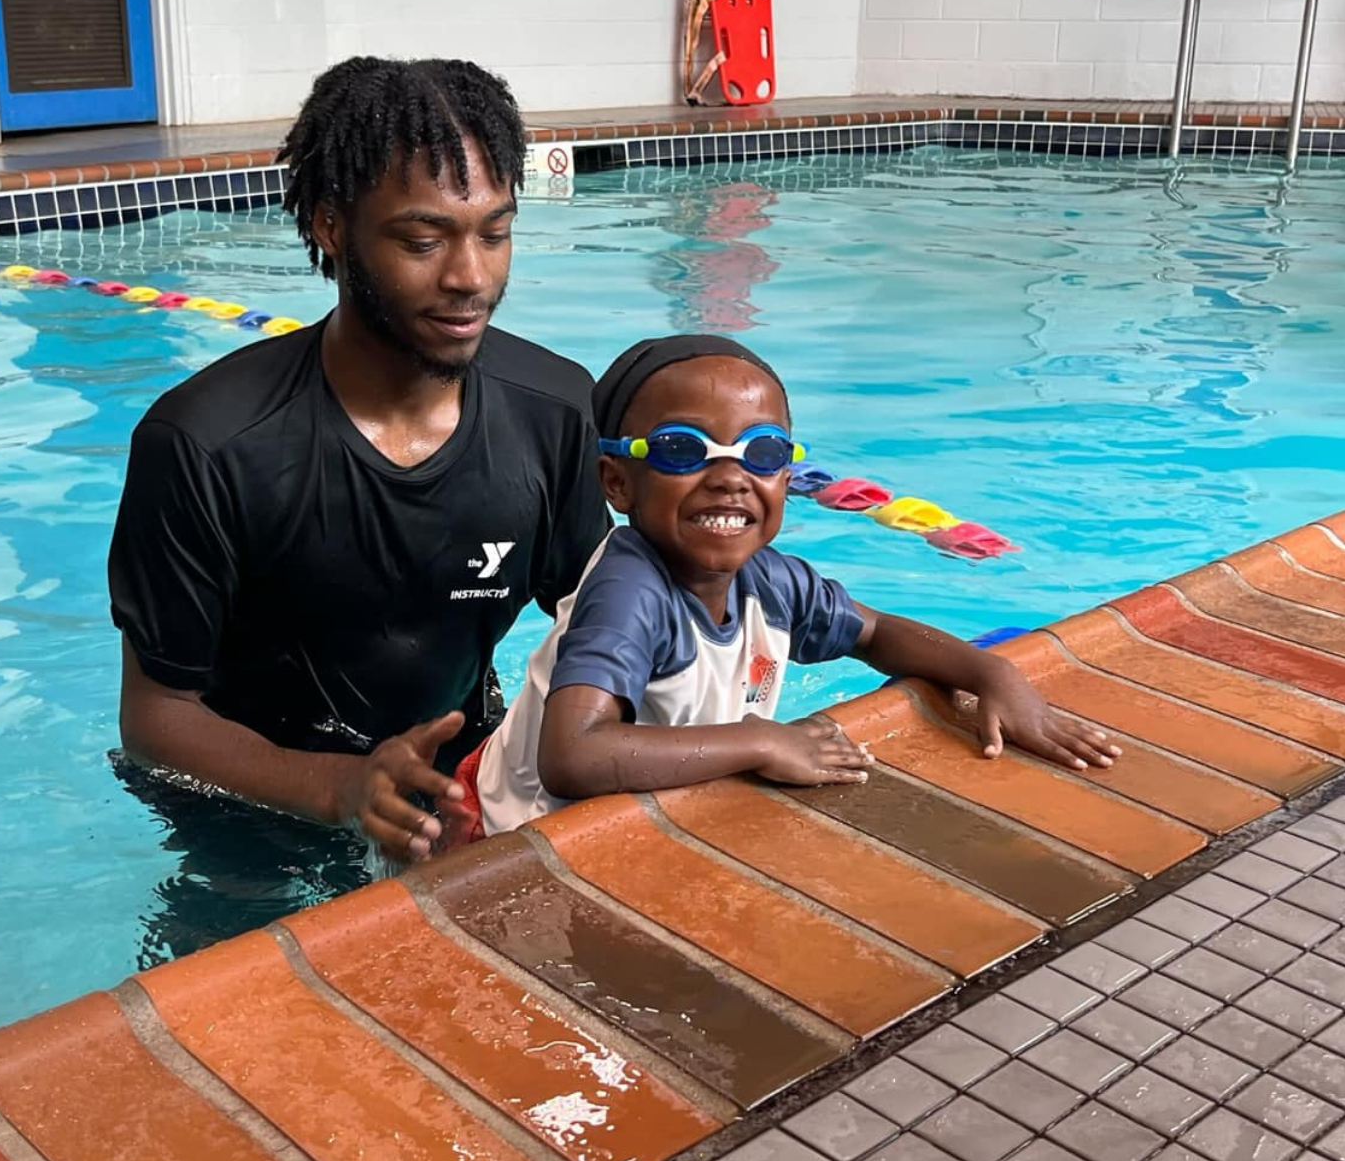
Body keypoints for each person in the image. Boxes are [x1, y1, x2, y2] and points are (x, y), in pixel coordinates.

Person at [108, 57, 610, 905]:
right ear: (331, 226)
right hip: (250, 806)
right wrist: (336, 790)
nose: (470, 278)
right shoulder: (208, 444)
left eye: (494, 232)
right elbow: (156, 718)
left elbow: (602, 619)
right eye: (423, 241)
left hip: (459, 780)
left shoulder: (552, 412)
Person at [465, 335, 1120, 837]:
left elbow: (880, 634)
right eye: (683, 451)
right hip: (504, 826)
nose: (730, 477)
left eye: (764, 453)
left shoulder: (770, 582)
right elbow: (573, 757)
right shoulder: (630, 590)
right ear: (617, 482)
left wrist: (992, 675)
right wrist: (763, 739)